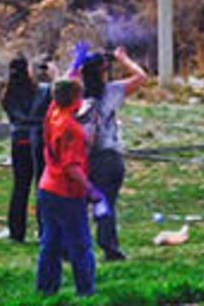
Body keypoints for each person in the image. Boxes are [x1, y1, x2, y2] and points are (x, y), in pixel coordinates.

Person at [78, 47, 147, 262]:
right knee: (106, 203)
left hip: (82, 157)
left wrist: (76, 63)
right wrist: (123, 59)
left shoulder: (75, 96)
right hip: (109, 157)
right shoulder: (112, 91)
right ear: (104, 72)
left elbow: (59, 84)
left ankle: (73, 246)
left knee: (78, 204)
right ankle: (109, 245)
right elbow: (141, 77)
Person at [36, 77, 96, 298]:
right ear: (76, 99)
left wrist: (74, 66)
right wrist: (91, 189)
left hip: (47, 187)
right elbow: (71, 167)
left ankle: (46, 288)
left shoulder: (53, 114)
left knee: (50, 242)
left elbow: (60, 90)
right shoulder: (71, 128)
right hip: (67, 192)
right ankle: (85, 291)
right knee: (80, 245)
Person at [2, 57, 51, 243]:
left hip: (18, 141)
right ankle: (43, 229)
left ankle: (16, 231)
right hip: (39, 141)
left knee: (20, 188)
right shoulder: (43, 91)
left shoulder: (8, 96)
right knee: (42, 186)